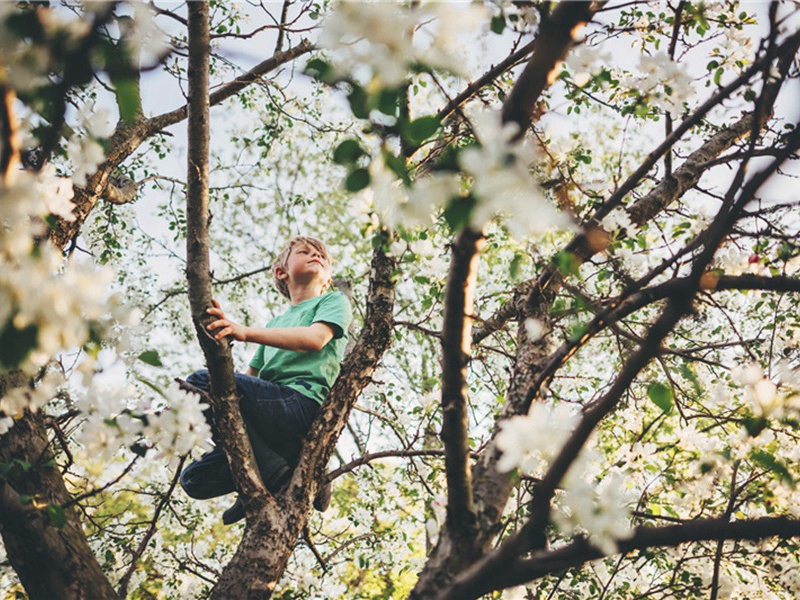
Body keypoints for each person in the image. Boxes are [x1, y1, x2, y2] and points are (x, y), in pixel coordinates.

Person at [179, 236, 352, 525]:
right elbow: (241, 387)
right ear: (281, 272)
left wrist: (243, 332)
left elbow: (315, 339)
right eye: (305, 252)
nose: (317, 256)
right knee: (193, 479)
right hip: (271, 420)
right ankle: (275, 467)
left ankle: (271, 470)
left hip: (299, 403)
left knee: (199, 380)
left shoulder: (334, 301)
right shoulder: (274, 325)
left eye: (322, 255)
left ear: (328, 278)